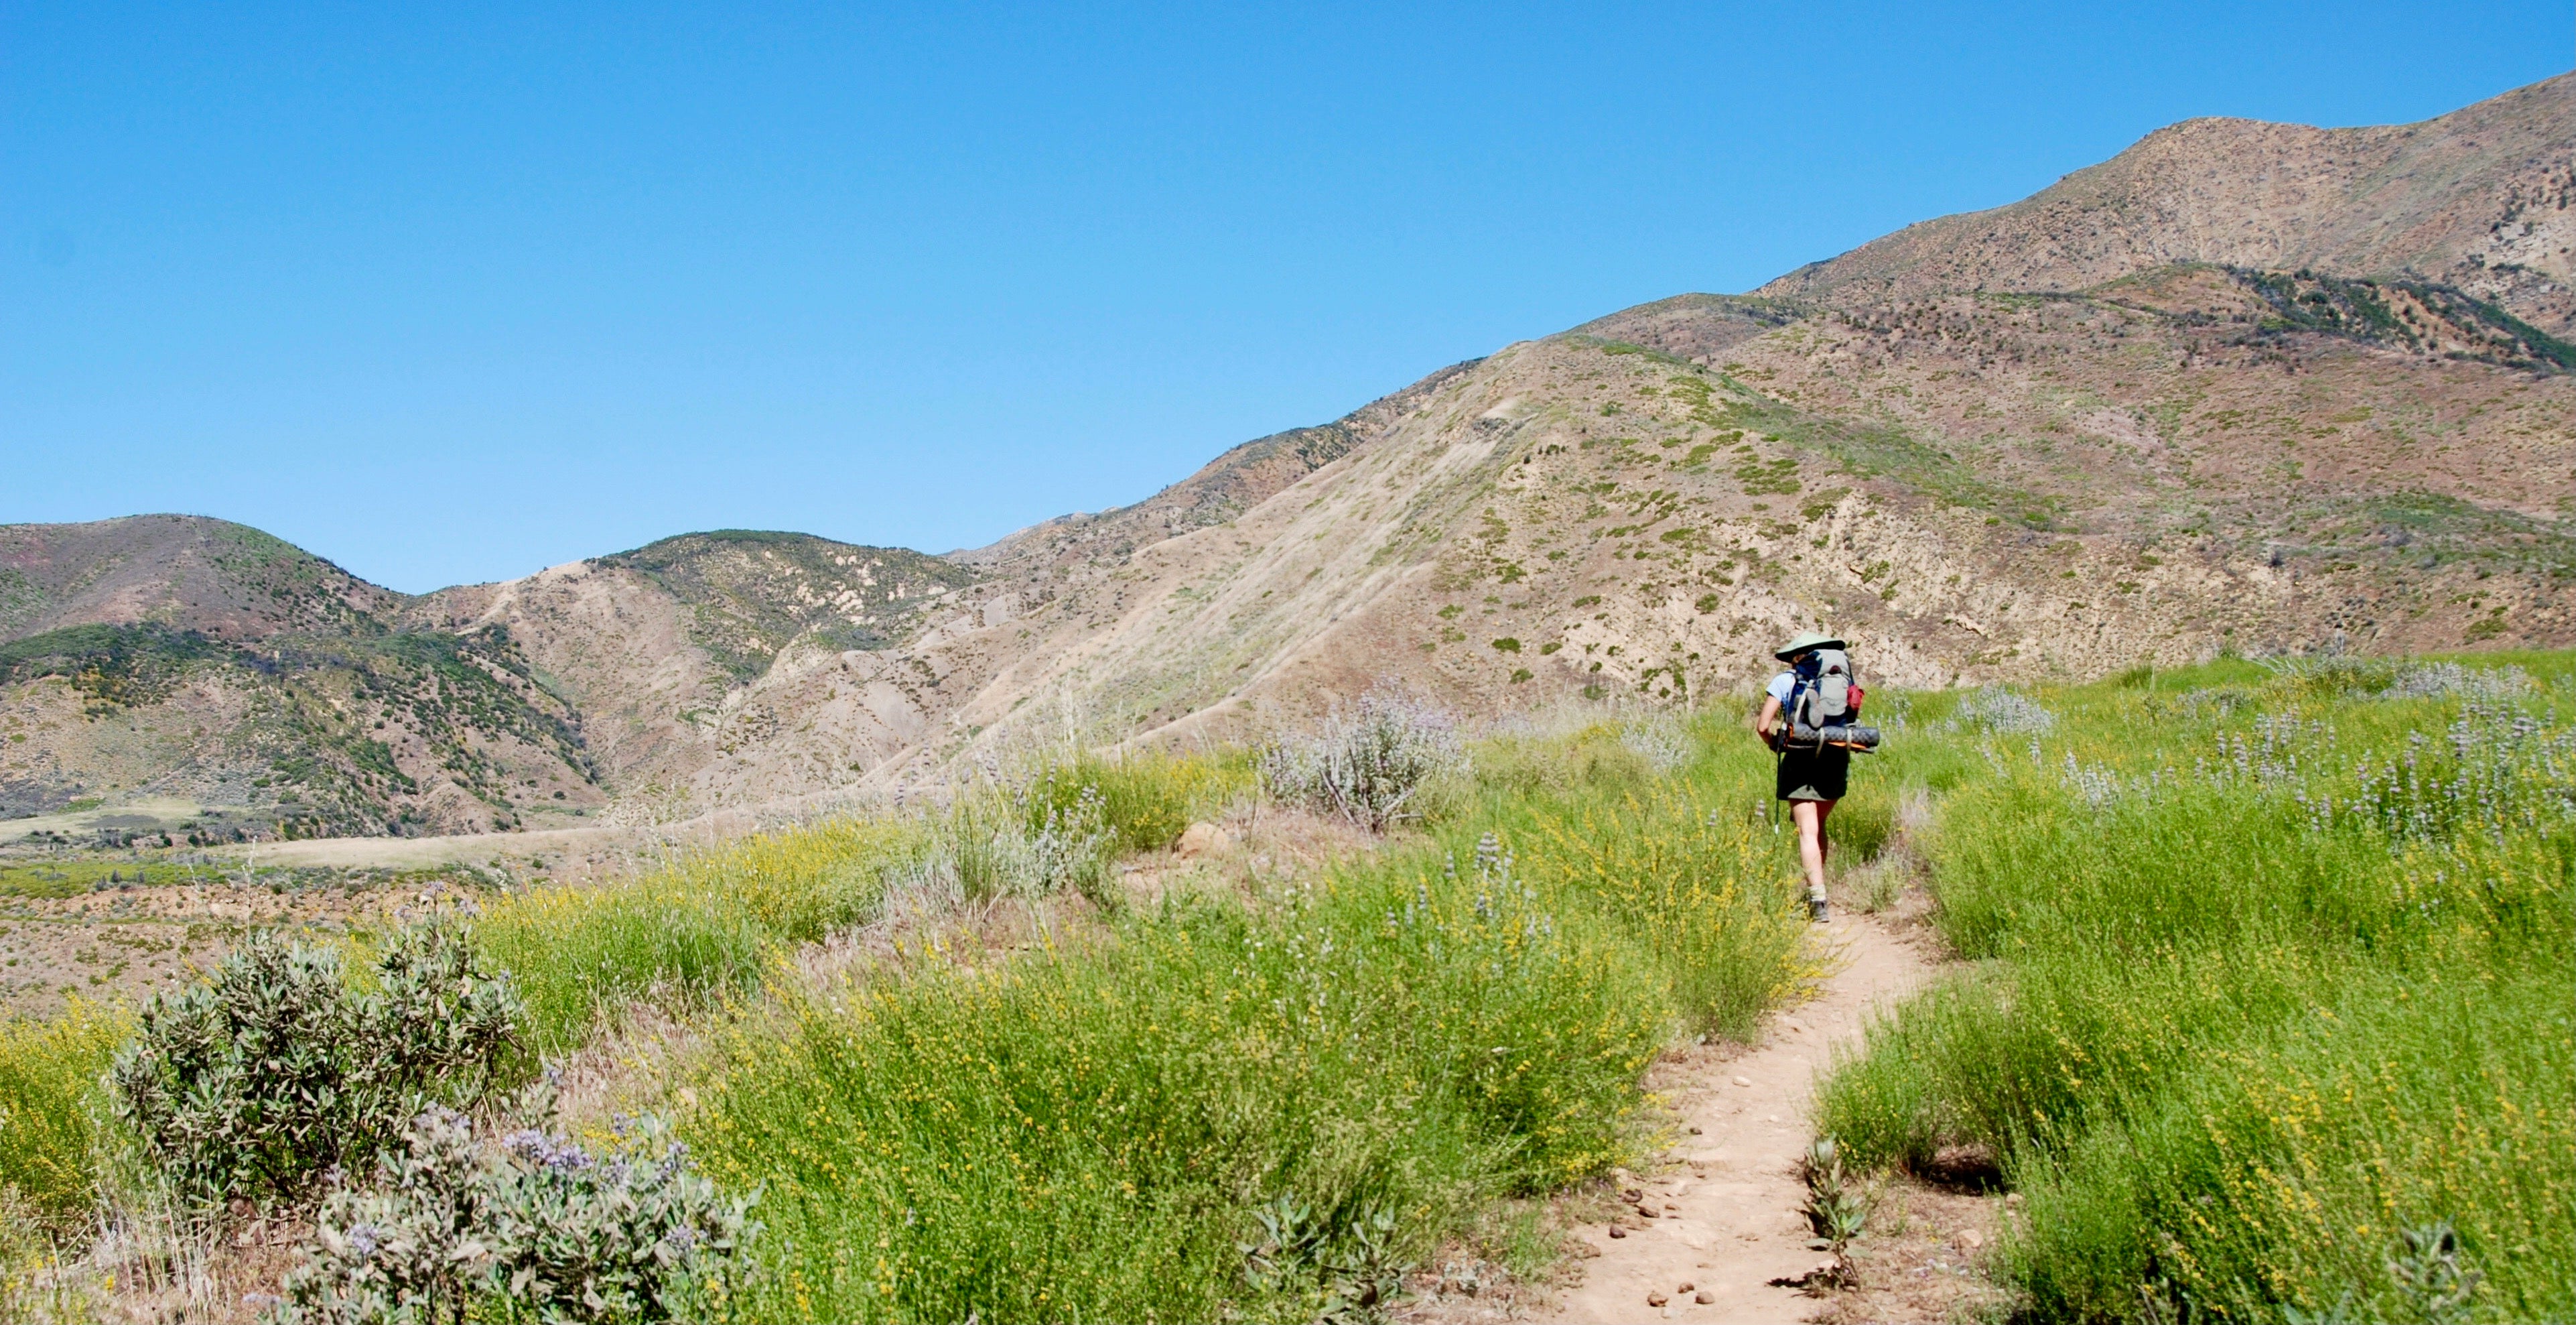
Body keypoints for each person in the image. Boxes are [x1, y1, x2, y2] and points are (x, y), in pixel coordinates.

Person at [1755, 631, 1852, 920]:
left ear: (1797, 657)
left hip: (1800, 758)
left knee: (1806, 831)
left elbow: (1762, 725)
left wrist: (1775, 745)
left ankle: (1817, 901)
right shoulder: (1842, 678)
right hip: (1835, 756)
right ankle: (1820, 891)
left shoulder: (1786, 681)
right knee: (1819, 825)